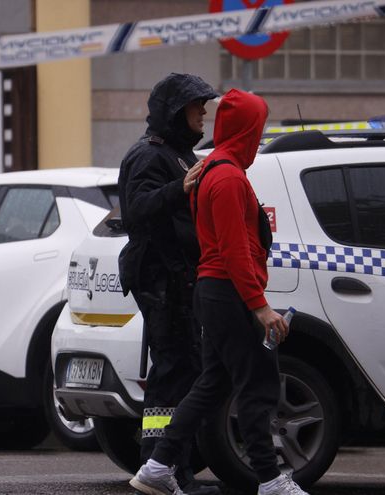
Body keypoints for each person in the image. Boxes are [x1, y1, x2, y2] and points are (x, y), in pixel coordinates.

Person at [129, 89, 308, 495]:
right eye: (257, 127)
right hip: (227, 292)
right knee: (257, 384)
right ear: (247, 129)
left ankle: (158, 465)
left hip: (215, 292)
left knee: (214, 383)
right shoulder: (227, 176)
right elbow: (234, 250)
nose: (259, 136)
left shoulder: (214, 169)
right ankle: (269, 479)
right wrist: (260, 307)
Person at [117, 73, 220, 495]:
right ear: (178, 111)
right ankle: (161, 467)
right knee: (173, 370)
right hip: (160, 278)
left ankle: (171, 466)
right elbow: (137, 210)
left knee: (182, 369)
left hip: (178, 278)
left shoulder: (177, 153)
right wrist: (182, 187)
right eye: (198, 106)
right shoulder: (148, 156)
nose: (205, 112)